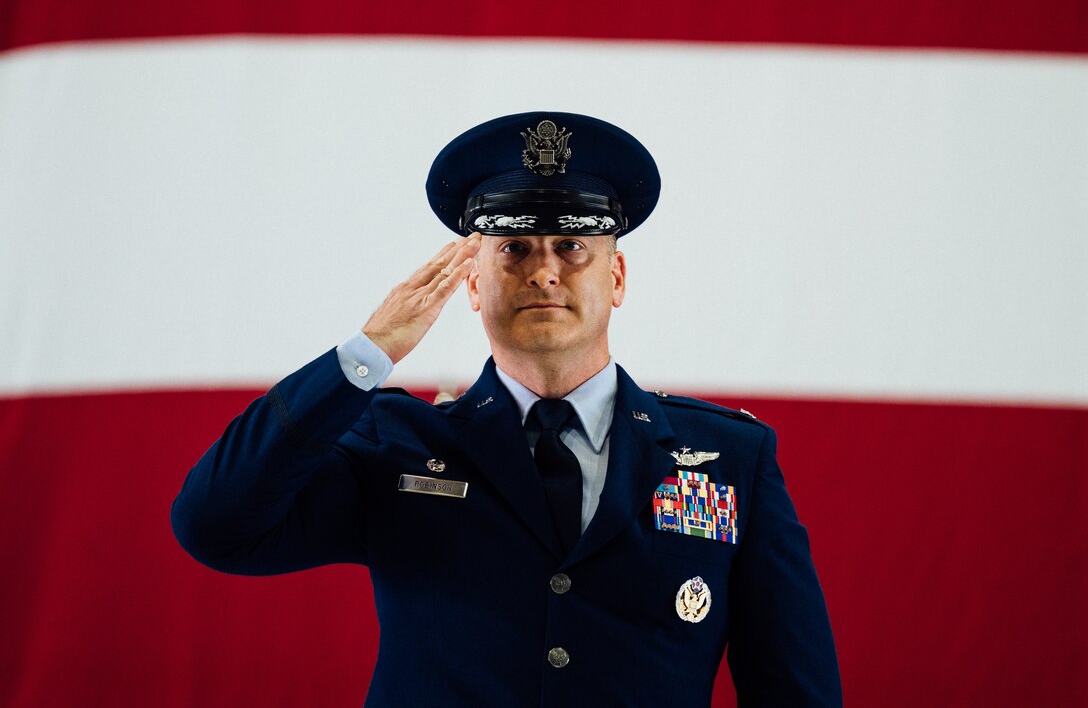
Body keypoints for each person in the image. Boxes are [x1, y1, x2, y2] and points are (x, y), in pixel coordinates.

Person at [172, 111, 842, 706]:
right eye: (515, 248)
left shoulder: (731, 460)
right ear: (471, 282)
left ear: (617, 277)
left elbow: (795, 690)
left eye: (573, 245)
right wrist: (366, 353)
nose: (544, 270)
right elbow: (215, 524)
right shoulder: (397, 441)